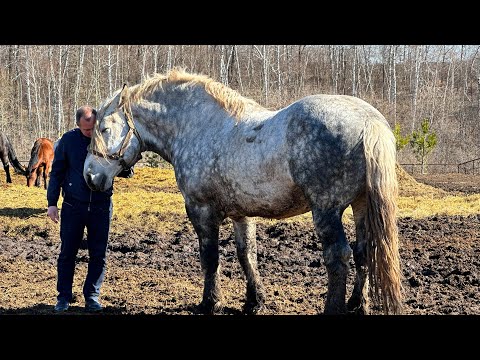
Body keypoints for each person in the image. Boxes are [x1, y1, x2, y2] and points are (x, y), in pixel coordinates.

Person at [47, 105, 134, 313]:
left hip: (101, 207)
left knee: (99, 254)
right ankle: (64, 297)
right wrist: (52, 203)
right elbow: (57, 173)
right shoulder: (68, 141)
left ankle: (92, 296)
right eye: (87, 130)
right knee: (67, 253)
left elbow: (123, 171)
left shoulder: (106, 140)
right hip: (72, 206)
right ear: (78, 125)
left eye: (93, 128)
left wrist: (126, 163)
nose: (90, 133)